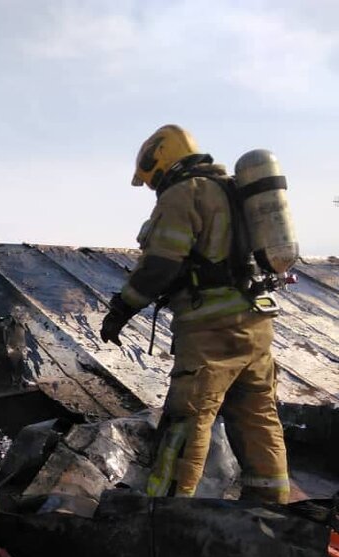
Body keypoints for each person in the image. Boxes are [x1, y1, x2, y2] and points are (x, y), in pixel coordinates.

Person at [100, 124, 289, 503]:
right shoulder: (233, 191)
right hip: (254, 326)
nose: (152, 186)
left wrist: (122, 308)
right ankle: (271, 512)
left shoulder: (183, 194)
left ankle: (164, 514)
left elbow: (161, 265)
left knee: (188, 420)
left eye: (150, 178)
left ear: (160, 163)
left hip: (210, 331)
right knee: (258, 419)